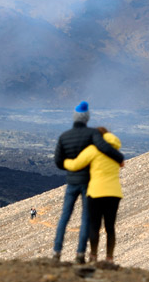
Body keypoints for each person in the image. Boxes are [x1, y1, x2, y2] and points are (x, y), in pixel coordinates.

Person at [52, 101, 125, 264]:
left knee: (68, 217)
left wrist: (67, 165)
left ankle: (59, 251)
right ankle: (86, 255)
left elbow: (64, 161)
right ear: (87, 118)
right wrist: (119, 157)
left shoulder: (66, 137)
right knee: (96, 221)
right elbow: (105, 149)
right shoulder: (95, 137)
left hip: (80, 184)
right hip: (100, 187)